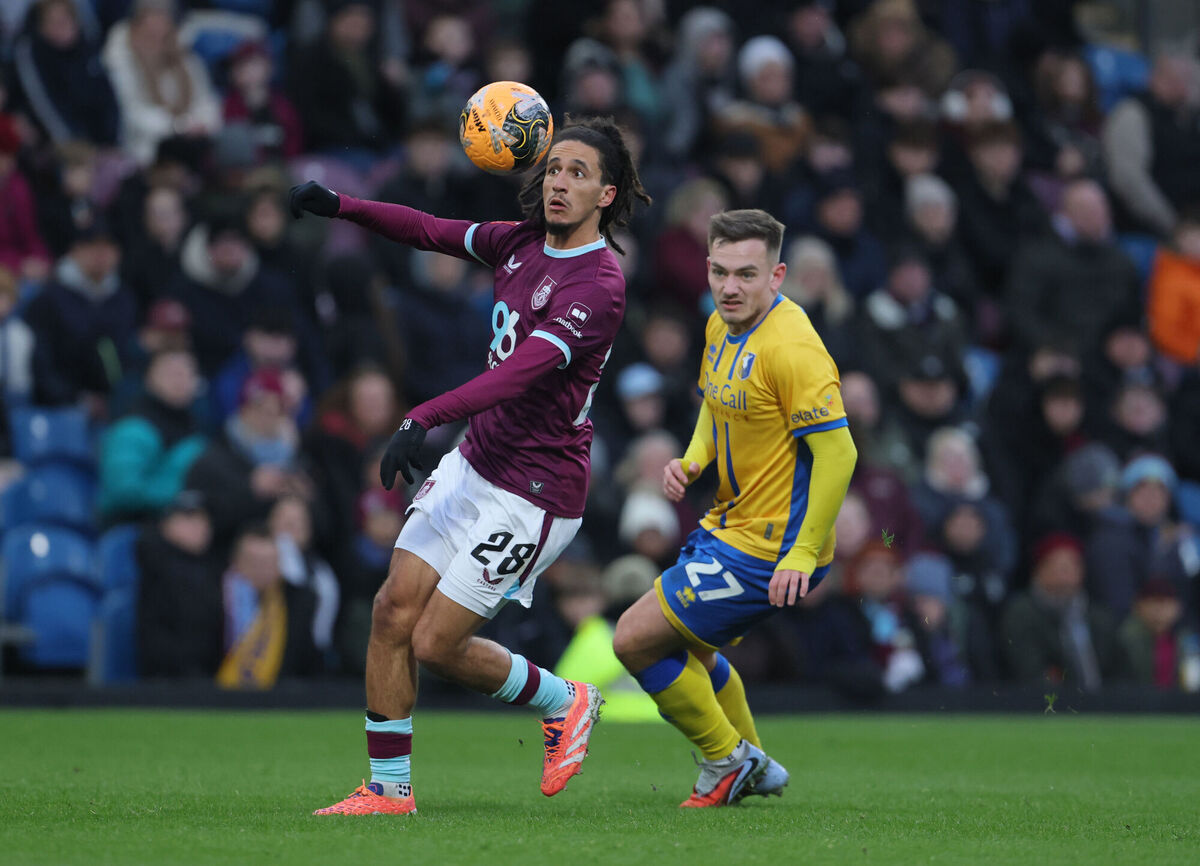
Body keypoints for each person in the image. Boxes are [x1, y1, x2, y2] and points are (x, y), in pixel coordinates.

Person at [289, 115, 651, 816]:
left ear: (607, 195)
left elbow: (519, 374)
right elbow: (427, 228)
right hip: (475, 461)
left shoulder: (600, 285)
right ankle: (388, 791)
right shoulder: (518, 243)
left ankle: (566, 699)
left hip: (536, 493)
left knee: (434, 643)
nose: (559, 183)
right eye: (554, 169)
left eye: (578, 173)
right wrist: (343, 206)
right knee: (392, 610)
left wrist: (421, 416)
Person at [611, 209, 857, 807]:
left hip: (771, 547)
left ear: (778, 276)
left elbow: (840, 454)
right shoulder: (720, 325)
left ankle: (726, 761)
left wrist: (801, 552)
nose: (729, 287)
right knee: (692, 649)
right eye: (720, 272)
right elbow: (714, 404)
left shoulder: (794, 348)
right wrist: (693, 460)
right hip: (730, 527)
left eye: (746, 275)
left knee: (634, 641)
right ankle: (752, 762)